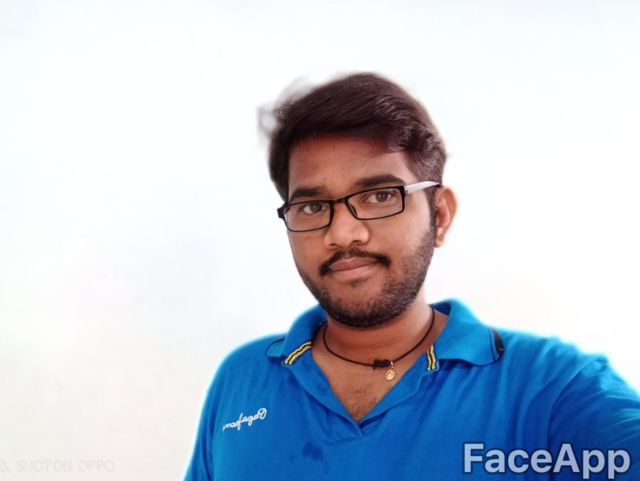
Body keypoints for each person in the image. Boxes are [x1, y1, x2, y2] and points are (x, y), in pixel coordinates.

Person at [184, 73, 640, 480]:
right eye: (312, 206)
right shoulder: (242, 380)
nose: (342, 233)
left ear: (439, 215)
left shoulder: (550, 388)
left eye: (380, 196)